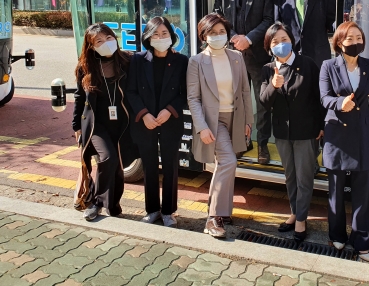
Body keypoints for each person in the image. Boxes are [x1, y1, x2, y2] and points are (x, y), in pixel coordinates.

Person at [319, 21, 369, 263]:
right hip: (337, 135)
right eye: (350, 39)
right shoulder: (328, 66)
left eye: (359, 38)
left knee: (363, 193)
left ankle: (362, 242)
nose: (355, 42)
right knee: (336, 191)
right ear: (339, 42)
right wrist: (340, 103)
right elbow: (324, 97)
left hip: (364, 134)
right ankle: (336, 235)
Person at [187, 13, 253, 239]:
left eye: (221, 32)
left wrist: (248, 120)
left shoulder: (236, 57)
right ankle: (213, 218)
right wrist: (201, 126)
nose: (218, 36)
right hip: (213, 121)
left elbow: (245, 91)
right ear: (203, 36)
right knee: (228, 161)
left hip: (235, 118)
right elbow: (193, 98)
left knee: (226, 164)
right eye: (212, 33)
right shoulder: (196, 61)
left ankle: (223, 211)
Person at [259, 22, 324, 242]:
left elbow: (319, 98)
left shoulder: (308, 64)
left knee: (304, 177)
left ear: (292, 41)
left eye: (284, 39)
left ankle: (301, 220)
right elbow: (264, 102)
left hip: (306, 131)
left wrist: (321, 126)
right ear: (269, 47)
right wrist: (273, 85)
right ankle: (295, 212)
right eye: (275, 42)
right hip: (282, 133)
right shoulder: (268, 69)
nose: (280, 44)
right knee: (290, 176)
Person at [213, 0, 275, 164]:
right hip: (232, 55)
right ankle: (240, 141)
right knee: (236, 101)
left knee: (262, 101)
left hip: (259, 55)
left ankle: (263, 144)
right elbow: (218, 18)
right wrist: (234, 38)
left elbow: (269, 19)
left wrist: (248, 39)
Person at [126, 16, 188, 228]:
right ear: (148, 37)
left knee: (170, 166)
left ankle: (169, 211)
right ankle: (152, 210)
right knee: (149, 165)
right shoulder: (138, 60)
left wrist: (169, 111)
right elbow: (131, 91)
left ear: (172, 35)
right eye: (156, 34)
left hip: (170, 121)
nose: (161, 38)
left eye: (164, 33)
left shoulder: (181, 61)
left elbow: (184, 93)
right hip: (146, 122)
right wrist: (144, 114)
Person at [72, 23, 132, 221]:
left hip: (122, 123)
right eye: (99, 41)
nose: (106, 43)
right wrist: (76, 126)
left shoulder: (127, 60)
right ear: (91, 46)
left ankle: (113, 205)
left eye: (109, 38)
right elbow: (79, 97)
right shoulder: (85, 67)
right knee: (107, 158)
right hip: (96, 124)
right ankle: (96, 203)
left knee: (118, 166)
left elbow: (150, 58)